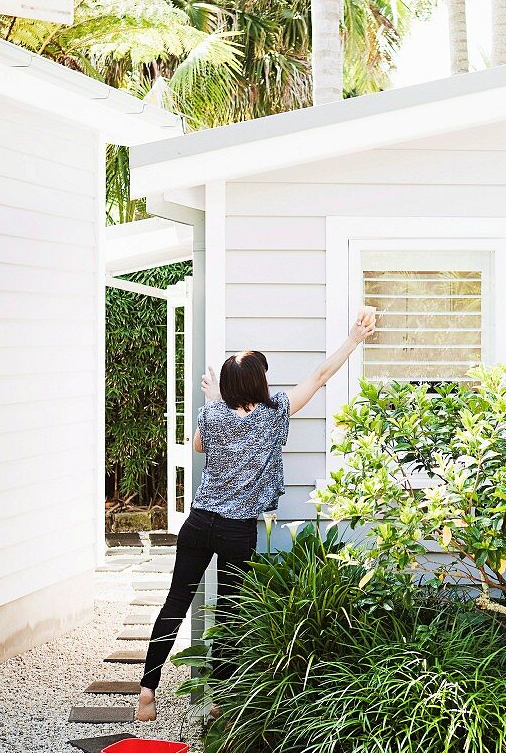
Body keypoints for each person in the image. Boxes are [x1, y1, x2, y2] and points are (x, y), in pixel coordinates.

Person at [137, 308, 377, 721]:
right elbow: (320, 376)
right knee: (230, 610)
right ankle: (219, 700)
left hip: (198, 523)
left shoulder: (211, 414)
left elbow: (198, 447)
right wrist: (354, 339)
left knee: (175, 602)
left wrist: (214, 402)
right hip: (236, 530)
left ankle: (146, 693)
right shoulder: (274, 413)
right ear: (257, 382)